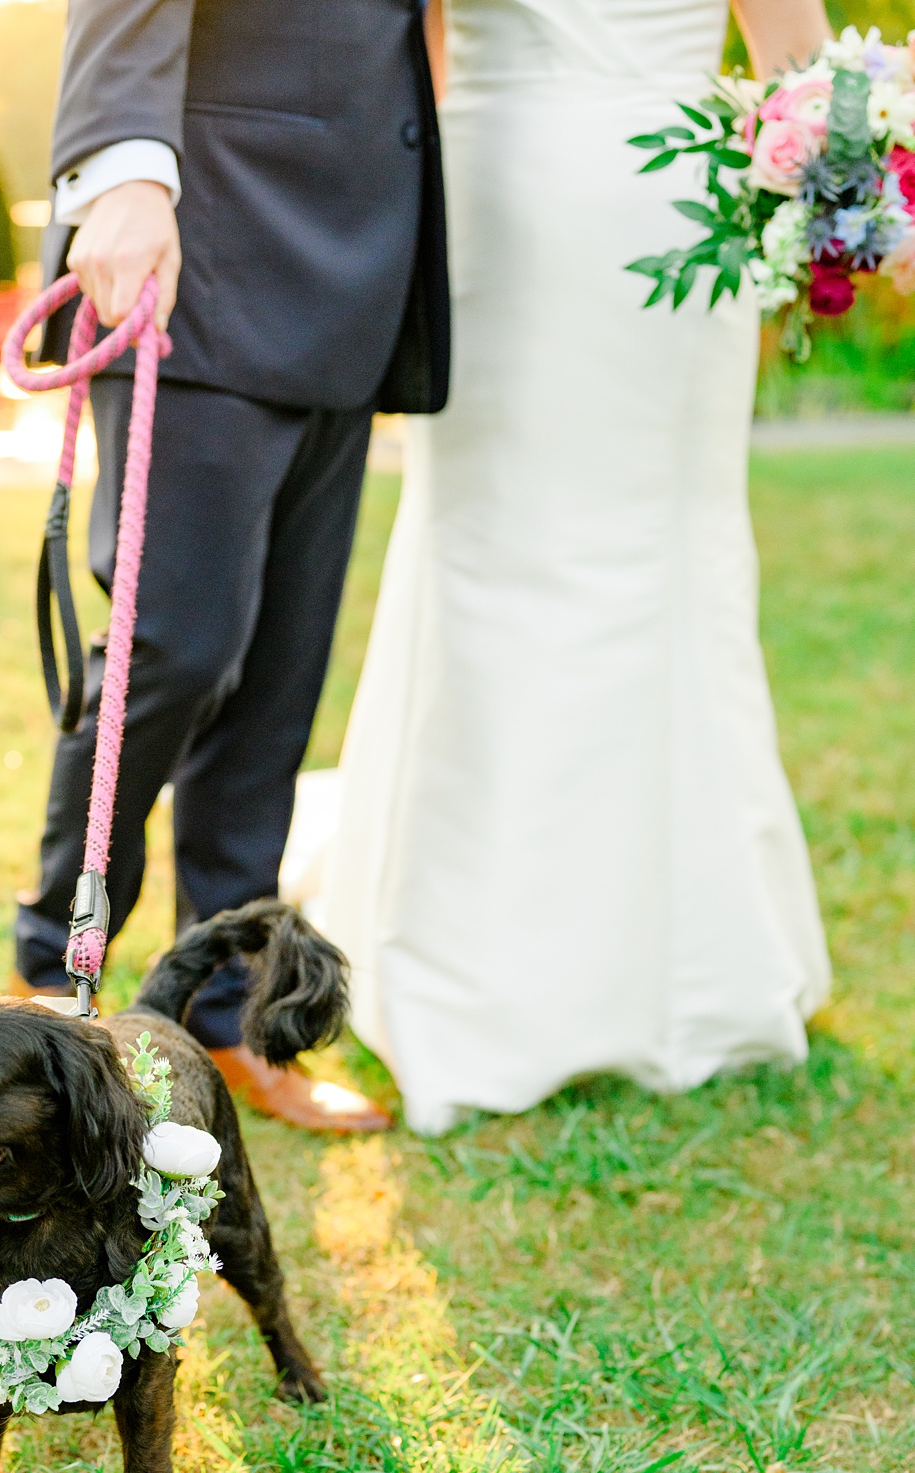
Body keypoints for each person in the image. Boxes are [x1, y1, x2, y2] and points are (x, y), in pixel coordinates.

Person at [310, 0, 832, 1136]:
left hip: (494, 182)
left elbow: (419, 47)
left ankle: (472, 971)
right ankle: (694, 965)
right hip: (670, 197)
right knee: (661, 562)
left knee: (495, 553)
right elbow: (800, 60)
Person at [15, 0, 448, 1134]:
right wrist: (120, 176)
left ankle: (223, 1012)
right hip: (200, 241)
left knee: (282, 668)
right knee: (178, 642)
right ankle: (51, 977)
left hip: (355, 260)